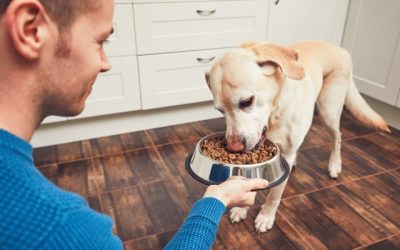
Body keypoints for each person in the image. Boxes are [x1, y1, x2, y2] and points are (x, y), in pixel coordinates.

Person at [0, 0, 269, 249]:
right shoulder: (64, 229)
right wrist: (216, 201)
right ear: (31, 29)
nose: (106, 64)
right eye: (100, 41)